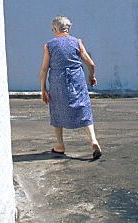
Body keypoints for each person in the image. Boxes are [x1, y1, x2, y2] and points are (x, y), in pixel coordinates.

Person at [40, 15, 102, 160]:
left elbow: (44, 69)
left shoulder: (49, 45)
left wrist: (43, 89)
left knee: (57, 109)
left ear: (55, 29)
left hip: (57, 81)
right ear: (68, 29)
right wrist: (91, 76)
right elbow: (91, 64)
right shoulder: (77, 42)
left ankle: (60, 145)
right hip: (76, 79)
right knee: (84, 107)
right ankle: (93, 140)